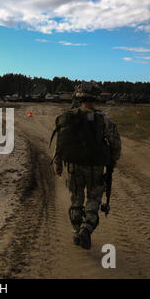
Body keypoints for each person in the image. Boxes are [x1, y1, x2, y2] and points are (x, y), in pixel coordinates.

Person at [52, 82, 121, 249]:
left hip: (74, 166)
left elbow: (60, 143)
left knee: (76, 199)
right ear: (95, 98)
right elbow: (115, 142)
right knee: (94, 199)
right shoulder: (103, 118)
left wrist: (58, 163)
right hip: (95, 166)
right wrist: (114, 159)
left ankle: (77, 231)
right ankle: (86, 229)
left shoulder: (69, 116)